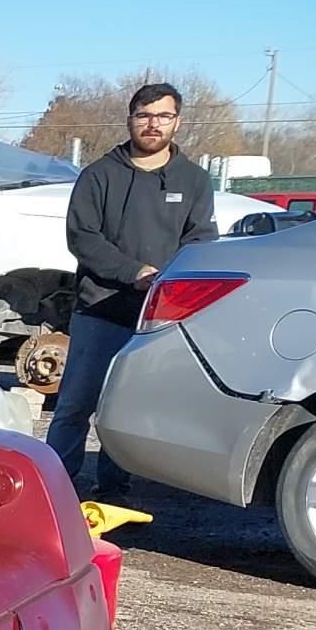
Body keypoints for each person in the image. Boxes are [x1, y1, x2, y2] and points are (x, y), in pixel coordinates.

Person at [50, 81, 216, 496]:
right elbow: (82, 237)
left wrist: (174, 282)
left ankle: (114, 491)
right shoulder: (98, 175)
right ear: (130, 119)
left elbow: (201, 240)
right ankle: (54, 487)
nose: (152, 124)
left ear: (177, 121)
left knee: (127, 410)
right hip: (99, 310)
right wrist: (133, 271)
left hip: (158, 317)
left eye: (163, 115)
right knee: (74, 406)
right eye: (143, 115)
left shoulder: (193, 180)